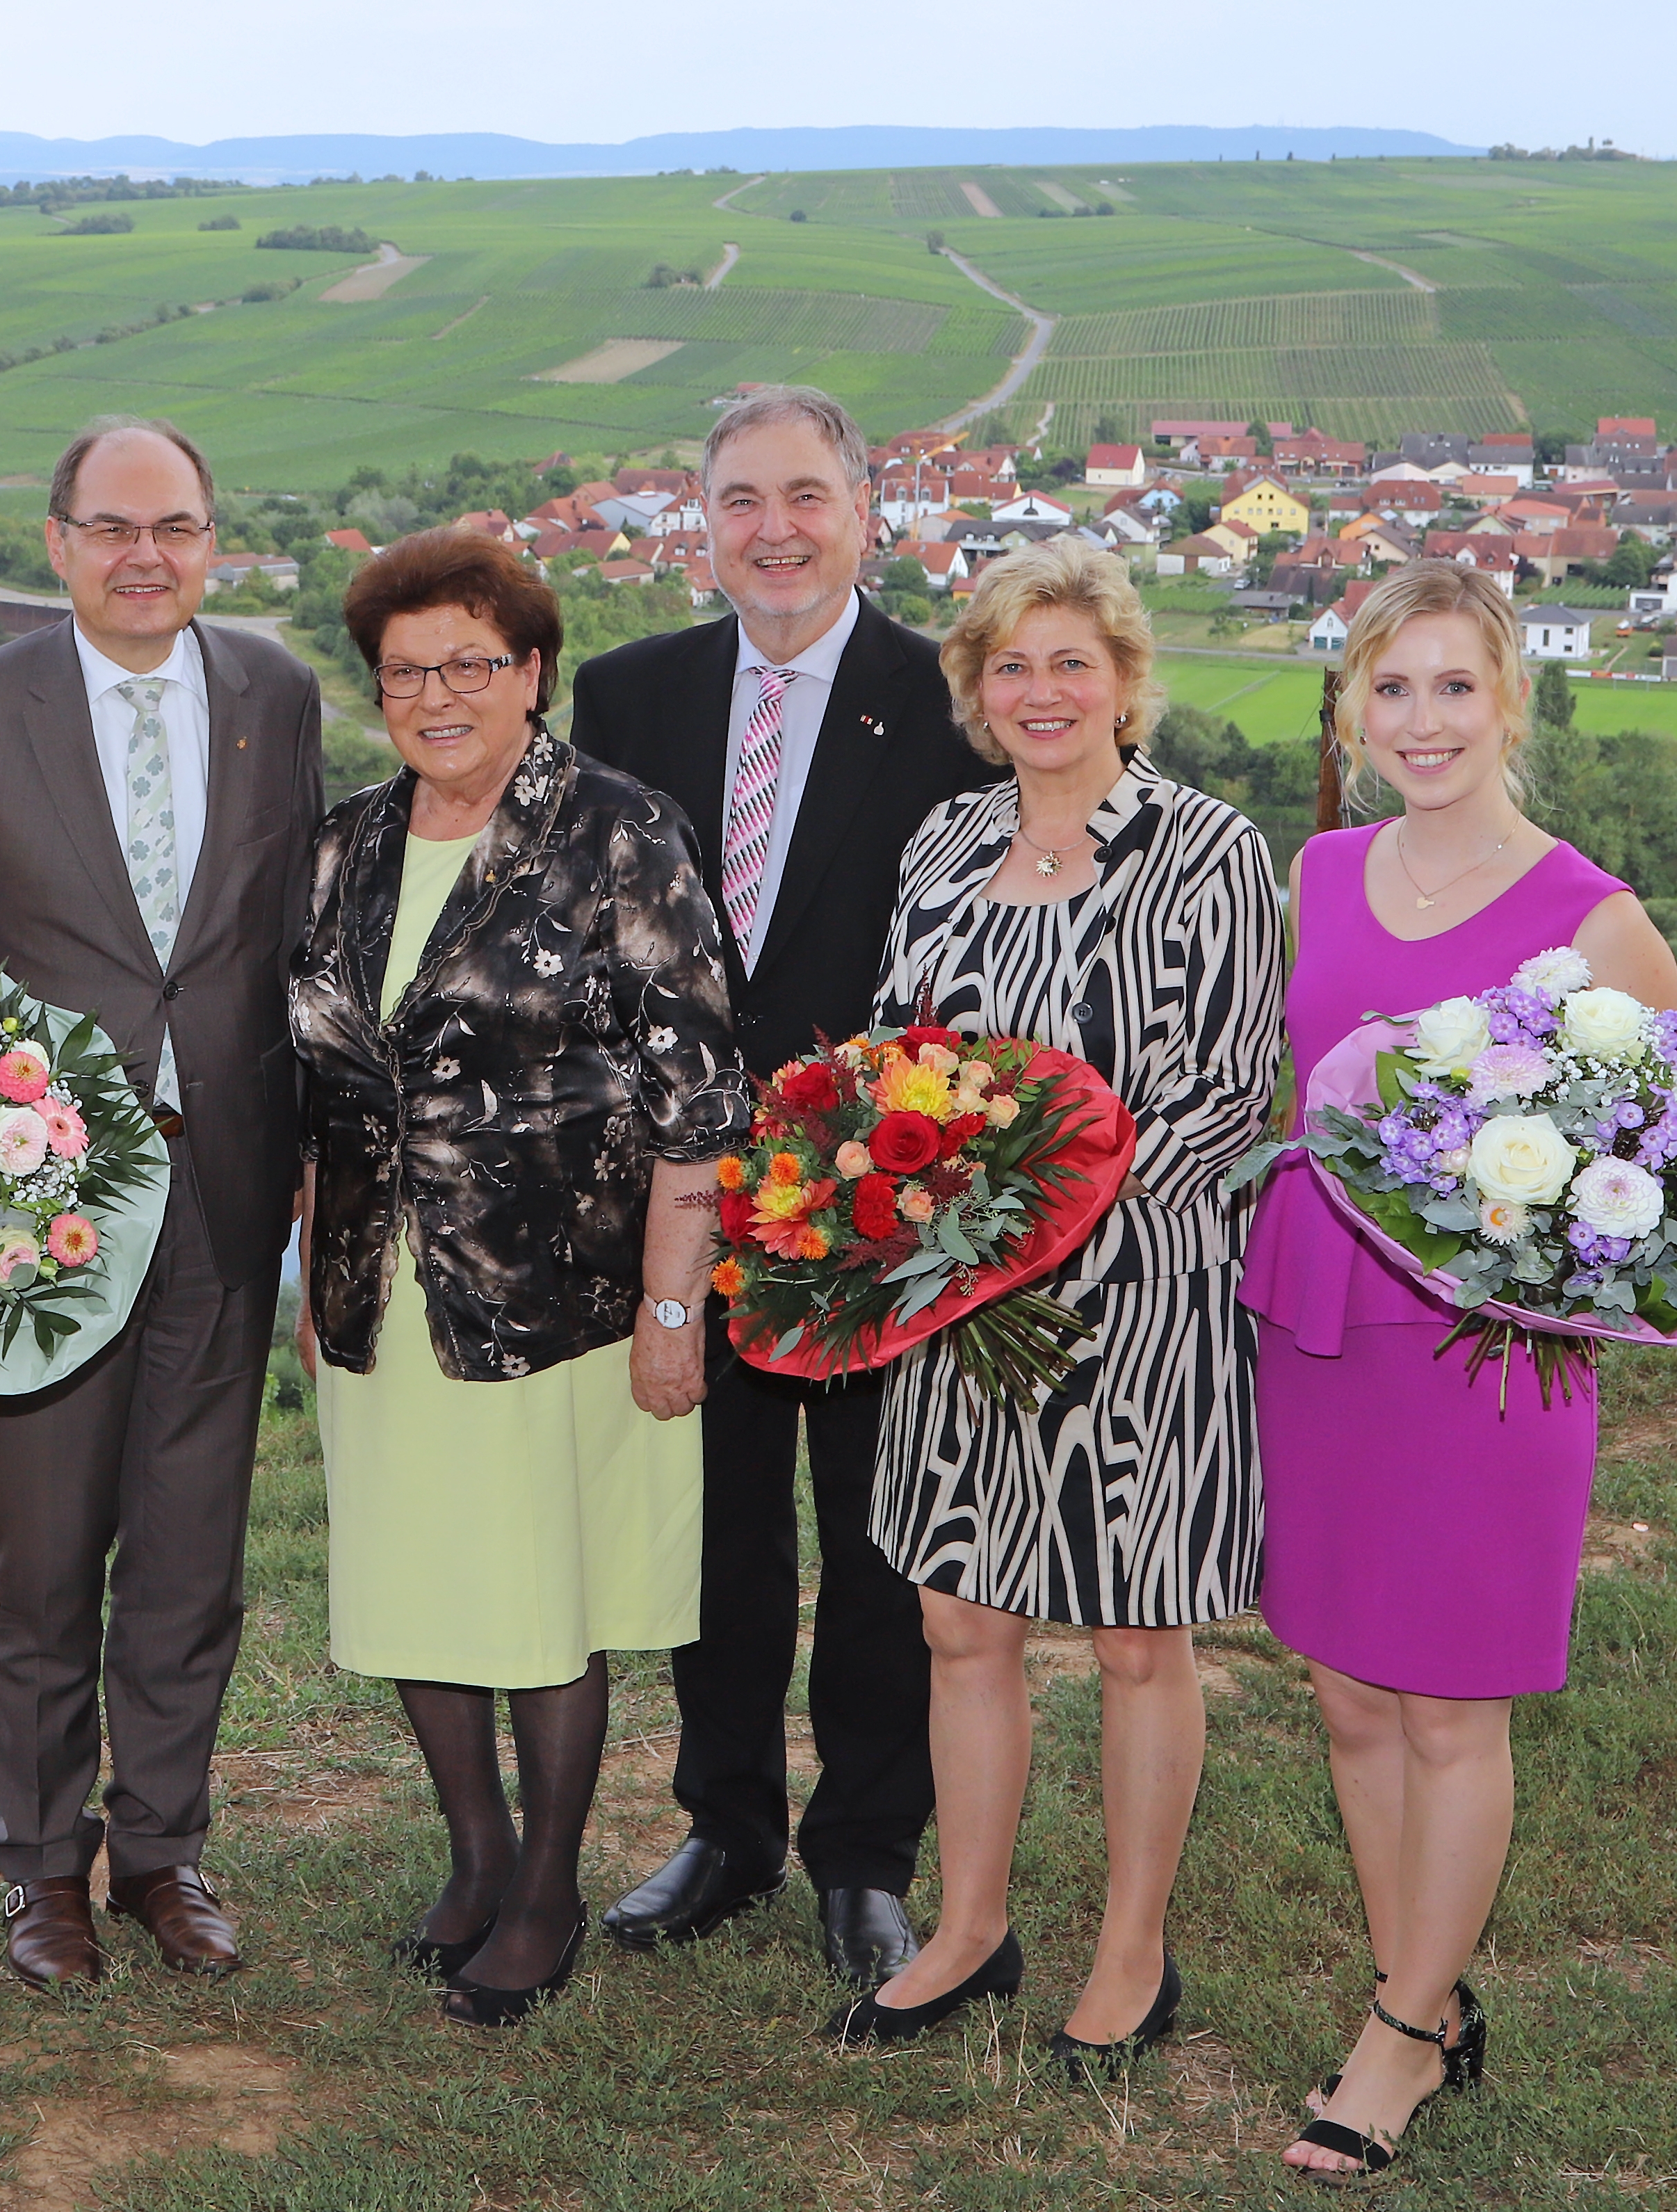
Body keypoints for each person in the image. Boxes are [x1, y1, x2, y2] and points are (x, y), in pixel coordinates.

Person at [1244, 561, 1677, 2181]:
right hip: (1324, 1329)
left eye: (1453, 687)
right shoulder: (1318, 870)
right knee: (1352, 1687)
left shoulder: (1595, 919)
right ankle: (1410, 1988)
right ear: (1355, 709)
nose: (1421, 720)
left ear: (1509, 701)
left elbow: (1640, 1177)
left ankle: (1404, 2037)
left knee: (1450, 1697)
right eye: (1391, 688)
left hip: (1485, 1362)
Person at [834, 535, 1284, 2062]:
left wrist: (1043, 1204)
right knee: (962, 1620)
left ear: (1124, 681)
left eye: (1070, 662)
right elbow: (898, 1059)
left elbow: (1231, 1098)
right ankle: (968, 1927)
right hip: (958, 1305)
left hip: (1138, 1299)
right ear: (975, 688)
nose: (1042, 691)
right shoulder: (944, 844)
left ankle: (1134, 1949)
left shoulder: (1209, 850)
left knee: (1135, 1634)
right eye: (1010, 664)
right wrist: (908, 1206)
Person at [572, 385, 999, 1986]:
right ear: (700, 520)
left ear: (866, 511)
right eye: (741, 497)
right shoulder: (627, 697)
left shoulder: (952, 701)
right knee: (717, 1527)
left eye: (805, 495)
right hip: (687, 1192)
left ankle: (867, 1851)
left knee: (880, 1530)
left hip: (884, 1194)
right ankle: (727, 1820)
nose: (773, 528)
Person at [291, 531, 745, 2027]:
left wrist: (675, 1308)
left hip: (559, 1302)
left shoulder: (622, 829)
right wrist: (317, 1262)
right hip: (383, 1287)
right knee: (421, 1577)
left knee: (542, 1596)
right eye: (408, 670)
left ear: (531, 672)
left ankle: (547, 1884)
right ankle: (474, 1854)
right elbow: (320, 1075)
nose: (439, 695)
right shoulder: (347, 840)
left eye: (470, 664)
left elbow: (698, 1097)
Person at [0, 418, 324, 1987]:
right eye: (112, 526)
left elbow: (288, 938)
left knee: (191, 1554)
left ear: (212, 539)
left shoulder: (273, 695)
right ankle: (41, 1870)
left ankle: (161, 1850)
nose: (146, 554)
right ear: (59, 539)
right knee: (43, 1551)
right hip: (42, 1205)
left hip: (225, 1186)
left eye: (178, 526)